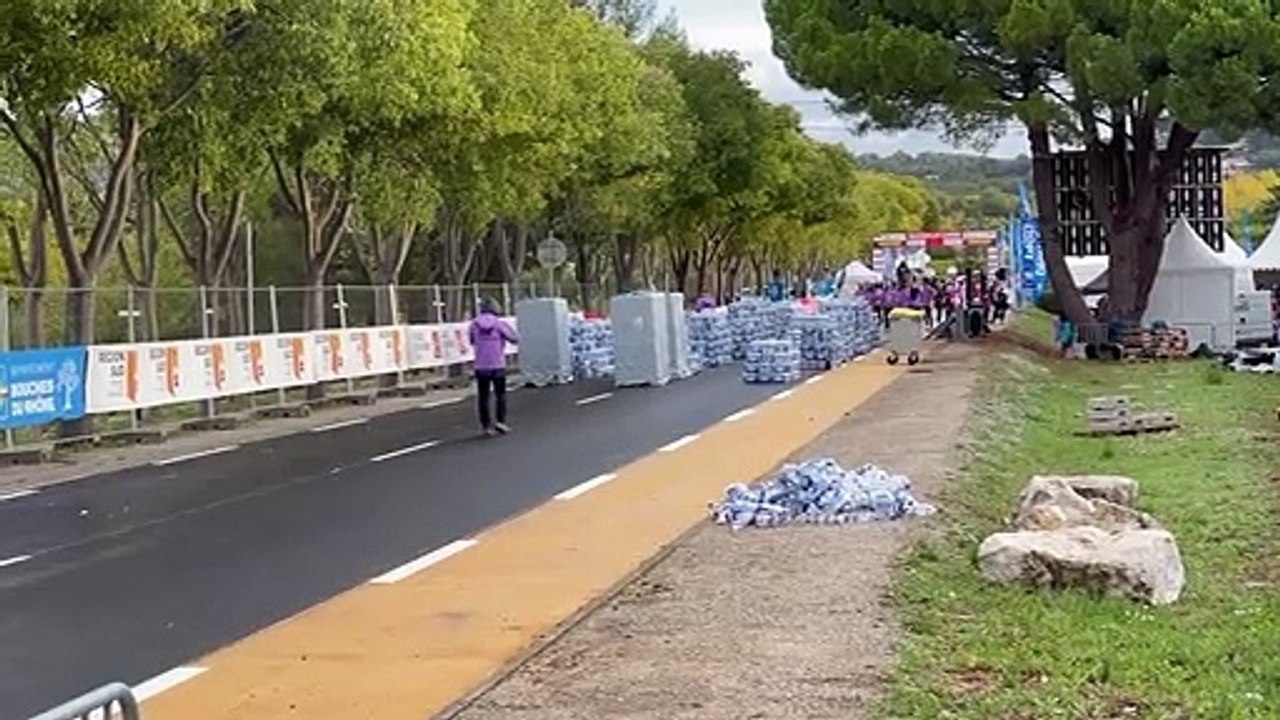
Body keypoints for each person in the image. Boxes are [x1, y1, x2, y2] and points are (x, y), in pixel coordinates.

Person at [469, 298, 519, 436]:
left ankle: (486, 426)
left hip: (480, 366)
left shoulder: (474, 324)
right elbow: (514, 339)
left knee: (483, 397)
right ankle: (500, 422)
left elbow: (471, 340)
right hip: (497, 364)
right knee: (500, 395)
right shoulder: (499, 324)